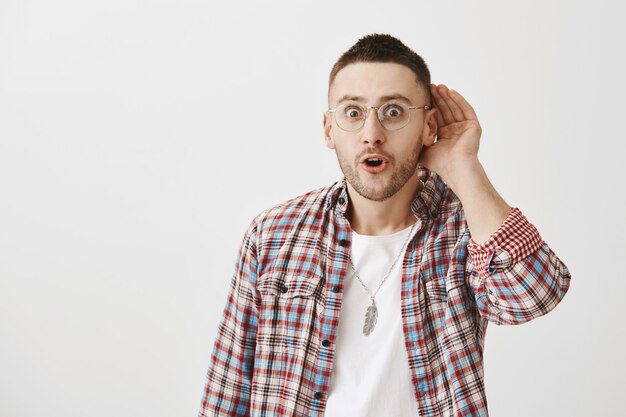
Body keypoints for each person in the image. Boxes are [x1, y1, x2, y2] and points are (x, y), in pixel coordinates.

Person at [198, 33, 571, 417]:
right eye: (353, 112)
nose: (371, 133)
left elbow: (534, 296)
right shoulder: (274, 235)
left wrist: (465, 168)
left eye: (393, 112)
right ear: (329, 129)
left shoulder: (465, 229)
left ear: (429, 127)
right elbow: (228, 390)